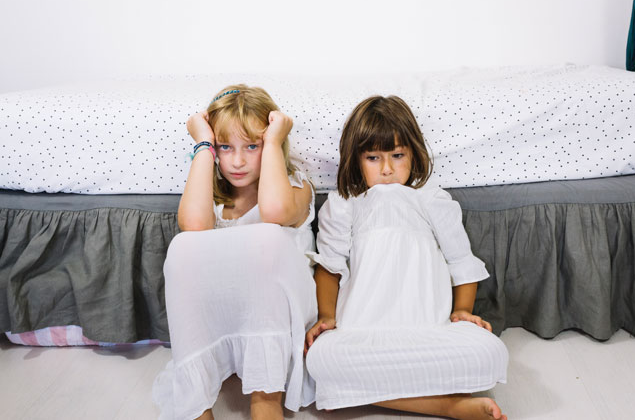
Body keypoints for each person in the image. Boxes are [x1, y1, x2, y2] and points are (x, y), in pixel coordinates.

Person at [305, 95, 509, 420]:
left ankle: (375, 390)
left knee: (490, 353)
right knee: (321, 360)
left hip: (429, 328)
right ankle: (449, 404)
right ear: (355, 160)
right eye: (373, 158)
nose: (387, 169)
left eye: (397, 155)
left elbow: (462, 263)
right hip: (362, 331)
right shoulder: (345, 203)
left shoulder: (431, 199)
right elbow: (329, 267)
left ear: (413, 153)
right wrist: (327, 317)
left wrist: (462, 311)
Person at [152, 85, 317, 420]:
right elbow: (193, 226)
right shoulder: (215, 200)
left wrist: (272, 142)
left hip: (284, 314)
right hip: (230, 314)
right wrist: (202, 144)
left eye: (252, 146)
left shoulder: (296, 186)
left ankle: (265, 398)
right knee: (182, 248)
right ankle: (197, 404)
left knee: (266, 239)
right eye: (225, 147)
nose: (237, 161)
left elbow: (272, 212)